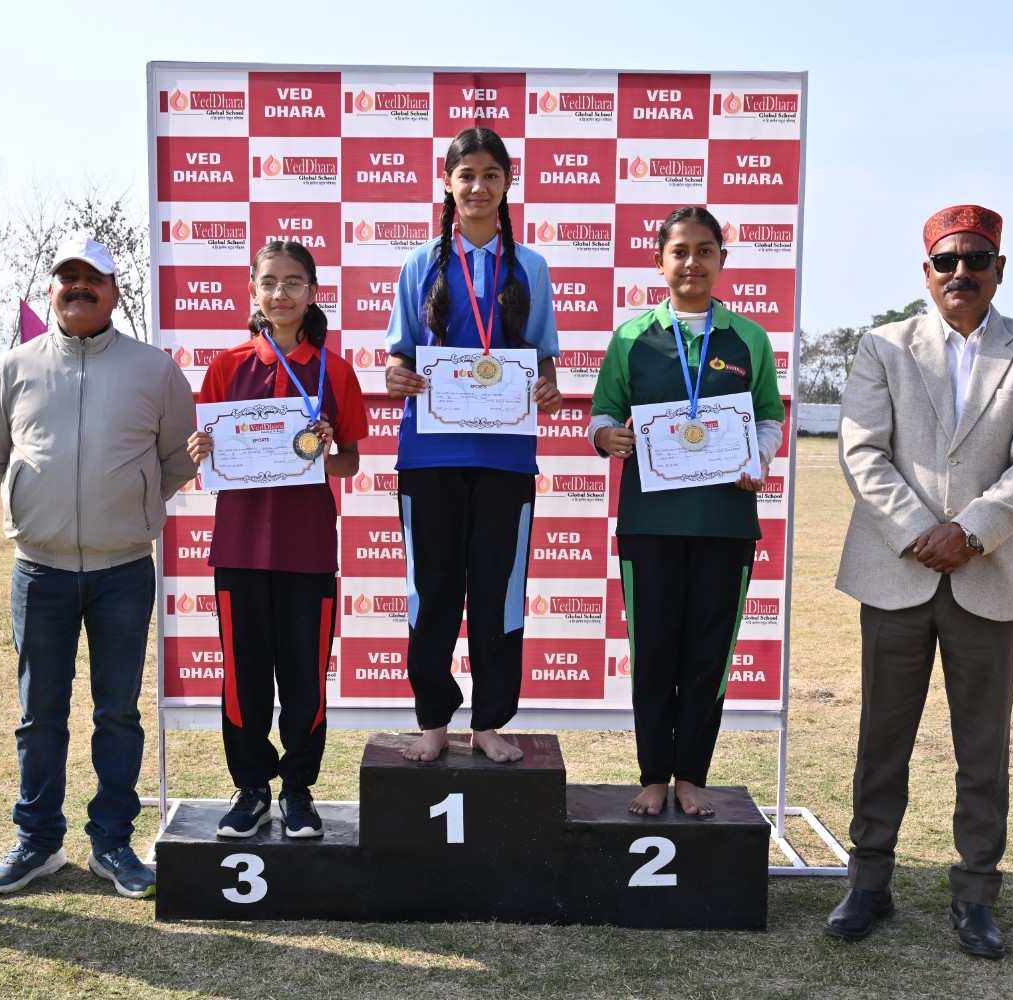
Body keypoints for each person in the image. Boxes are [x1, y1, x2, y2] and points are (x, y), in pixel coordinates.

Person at [823, 205, 1013, 959]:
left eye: (976, 258)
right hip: (895, 571)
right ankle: (869, 883)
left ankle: (975, 895)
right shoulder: (882, 345)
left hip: (988, 571)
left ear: (1001, 268)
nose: (960, 272)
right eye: (946, 260)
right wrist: (920, 532)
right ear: (926, 271)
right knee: (882, 737)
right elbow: (862, 451)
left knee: (983, 746)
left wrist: (968, 533)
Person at [0, 233, 198, 899]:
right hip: (38, 571)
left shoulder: (154, 369)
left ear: (114, 292)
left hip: (123, 570)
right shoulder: (14, 366)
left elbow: (177, 459)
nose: (78, 287)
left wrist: (130, 504)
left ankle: (112, 842)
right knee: (38, 714)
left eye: (92, 278)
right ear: (50, 289)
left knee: (117, 714)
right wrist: (32, 504)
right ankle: (38, 842)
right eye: (67, 276)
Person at [586, 207, 785, 818]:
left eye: (704, 250)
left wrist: (758, 455)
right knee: (653, 654)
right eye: (680, 251)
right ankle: (653, 775)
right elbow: (603, 412)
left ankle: (692, 776)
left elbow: (770, 417)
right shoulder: (630, 337)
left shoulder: (748, 337)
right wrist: (606, 437)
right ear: (659, 261)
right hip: (649, 524)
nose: (692, 262)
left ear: (722, 259)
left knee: (708, 657)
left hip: (725, 524)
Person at [384, 127, 563, 764]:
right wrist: (396, 376)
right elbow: (400, 357)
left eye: (491, 175)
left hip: (505, 459)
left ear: (508, 183)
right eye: (467, 175)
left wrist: (548, 388)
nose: (479, 187)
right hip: (429, 457)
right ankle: (433, 719)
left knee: (499, 594)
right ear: (447, 182)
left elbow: (543, 359)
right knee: (431, 592)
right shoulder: (419, 264)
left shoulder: (530, 267)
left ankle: (490, 721)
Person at [187, 241, 367, 839]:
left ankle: (297, 789)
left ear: (312, 292)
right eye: (269, 282)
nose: (280, 293)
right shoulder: (227, 365)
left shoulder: (335, 369)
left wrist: (323, 450)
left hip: (307, 551)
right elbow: (210, 456)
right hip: (238, 549)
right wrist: (202, 449)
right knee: (243, 678)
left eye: (293, 282)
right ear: (253, 291)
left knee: (304, 679)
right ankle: (251, 788)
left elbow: (349, 462)